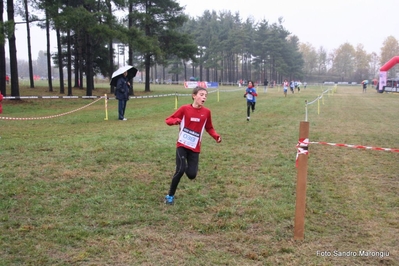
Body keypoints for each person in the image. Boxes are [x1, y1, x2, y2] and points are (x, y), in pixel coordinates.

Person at [164, 86, 222, 205]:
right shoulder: (185, 109)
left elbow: (209, 127)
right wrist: (175, 121)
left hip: (195, 148)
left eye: (205, 95)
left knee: (191, 175)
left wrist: (216, 136)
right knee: (180, 170)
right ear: (194, 96)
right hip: (182, 145)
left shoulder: (206, 112)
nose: (204, 97)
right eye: (201, 94)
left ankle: (184, 165)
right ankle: (170, 196)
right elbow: (169, 119)